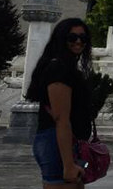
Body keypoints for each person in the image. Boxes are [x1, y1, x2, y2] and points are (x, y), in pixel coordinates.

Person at [27, 18, 94, 188]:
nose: (78, 41)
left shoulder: (69, 68)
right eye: (72, 37)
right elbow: (61, 119)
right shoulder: (59, 69)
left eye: (83, 38)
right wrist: (68, 164)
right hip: (57, 143)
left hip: (67, 143)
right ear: (61, 39)